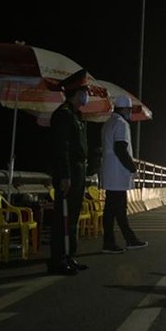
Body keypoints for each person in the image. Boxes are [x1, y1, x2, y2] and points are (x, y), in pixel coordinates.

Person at [48, 69, 92, 275]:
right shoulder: (63, 115)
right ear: (76, 93)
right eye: (85, 92)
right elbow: (61, 149)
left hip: (79, 170)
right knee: (63, 217)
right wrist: (65, 176)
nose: (87, 96)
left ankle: (69, 255)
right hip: (69, 172)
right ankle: (58, 259)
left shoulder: (76, 115)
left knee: (72, 215)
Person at [100, 95, 148, 253]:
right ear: (125, 109)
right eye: (129, 110)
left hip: (110, 172)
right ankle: (111, 243)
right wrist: (133, 168)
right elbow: (120, 149)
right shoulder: (121, 124)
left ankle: (128, 239)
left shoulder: (108, 123)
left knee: (115, 210)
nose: (130, 113)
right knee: (115, 209)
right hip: (118, 173)